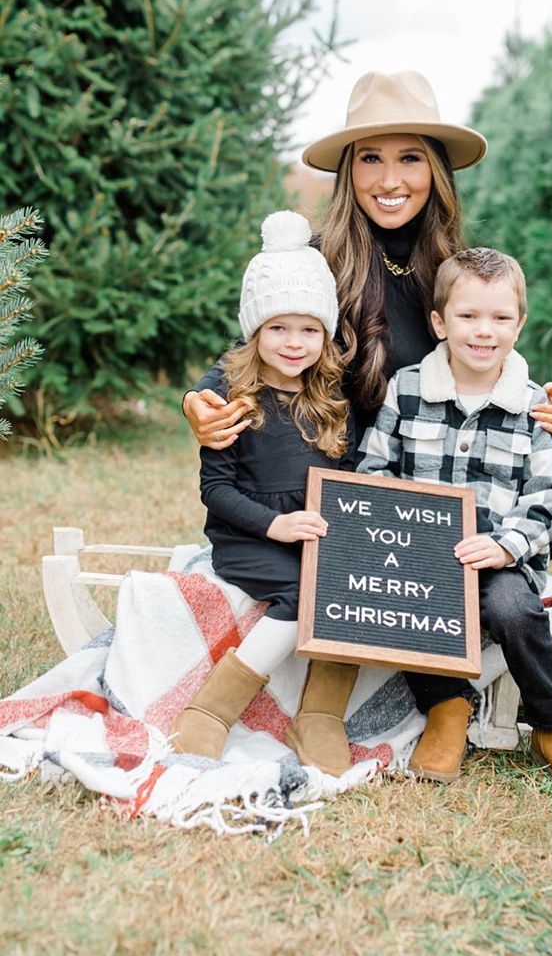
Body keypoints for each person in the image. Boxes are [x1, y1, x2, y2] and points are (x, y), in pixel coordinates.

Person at [182, 70, 552, 776]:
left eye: (409, 157)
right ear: (348, 171)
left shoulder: (454, 269)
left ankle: (436, 703)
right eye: (370, 157)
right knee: (334, 566)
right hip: (334, 473)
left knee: (417, 562)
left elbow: (492, 348)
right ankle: (260, 708)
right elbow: (259, 344)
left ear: (436, 169)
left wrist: (538, 405)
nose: (389, 177)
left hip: (425, 487)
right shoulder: (322, 261)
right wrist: (199, 399)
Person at [357, 248, 552, 791]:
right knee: (413, 601)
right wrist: (408, 528)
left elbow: (549, 492)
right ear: (439, 322)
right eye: (468, 316)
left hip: (501, 557)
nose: (483, 331)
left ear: (520, 323)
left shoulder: (531, 405)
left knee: (514, 609)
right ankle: (447, 705)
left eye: (500, 318)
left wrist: (504, 545)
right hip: (422, 552)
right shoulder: (405, 391)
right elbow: (375, 468)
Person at [171, 210, 361, 776]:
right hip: (250, 536)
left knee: (347, 587)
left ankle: (321, 714)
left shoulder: (334, 400)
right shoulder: (235, 399)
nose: (294, 343)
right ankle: (210, 710)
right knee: (303, 593)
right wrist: (274, 525)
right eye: (278, 328)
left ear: (325, 334)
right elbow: (216, 490)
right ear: (254, 332)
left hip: (315, 532)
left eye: (308, 329)